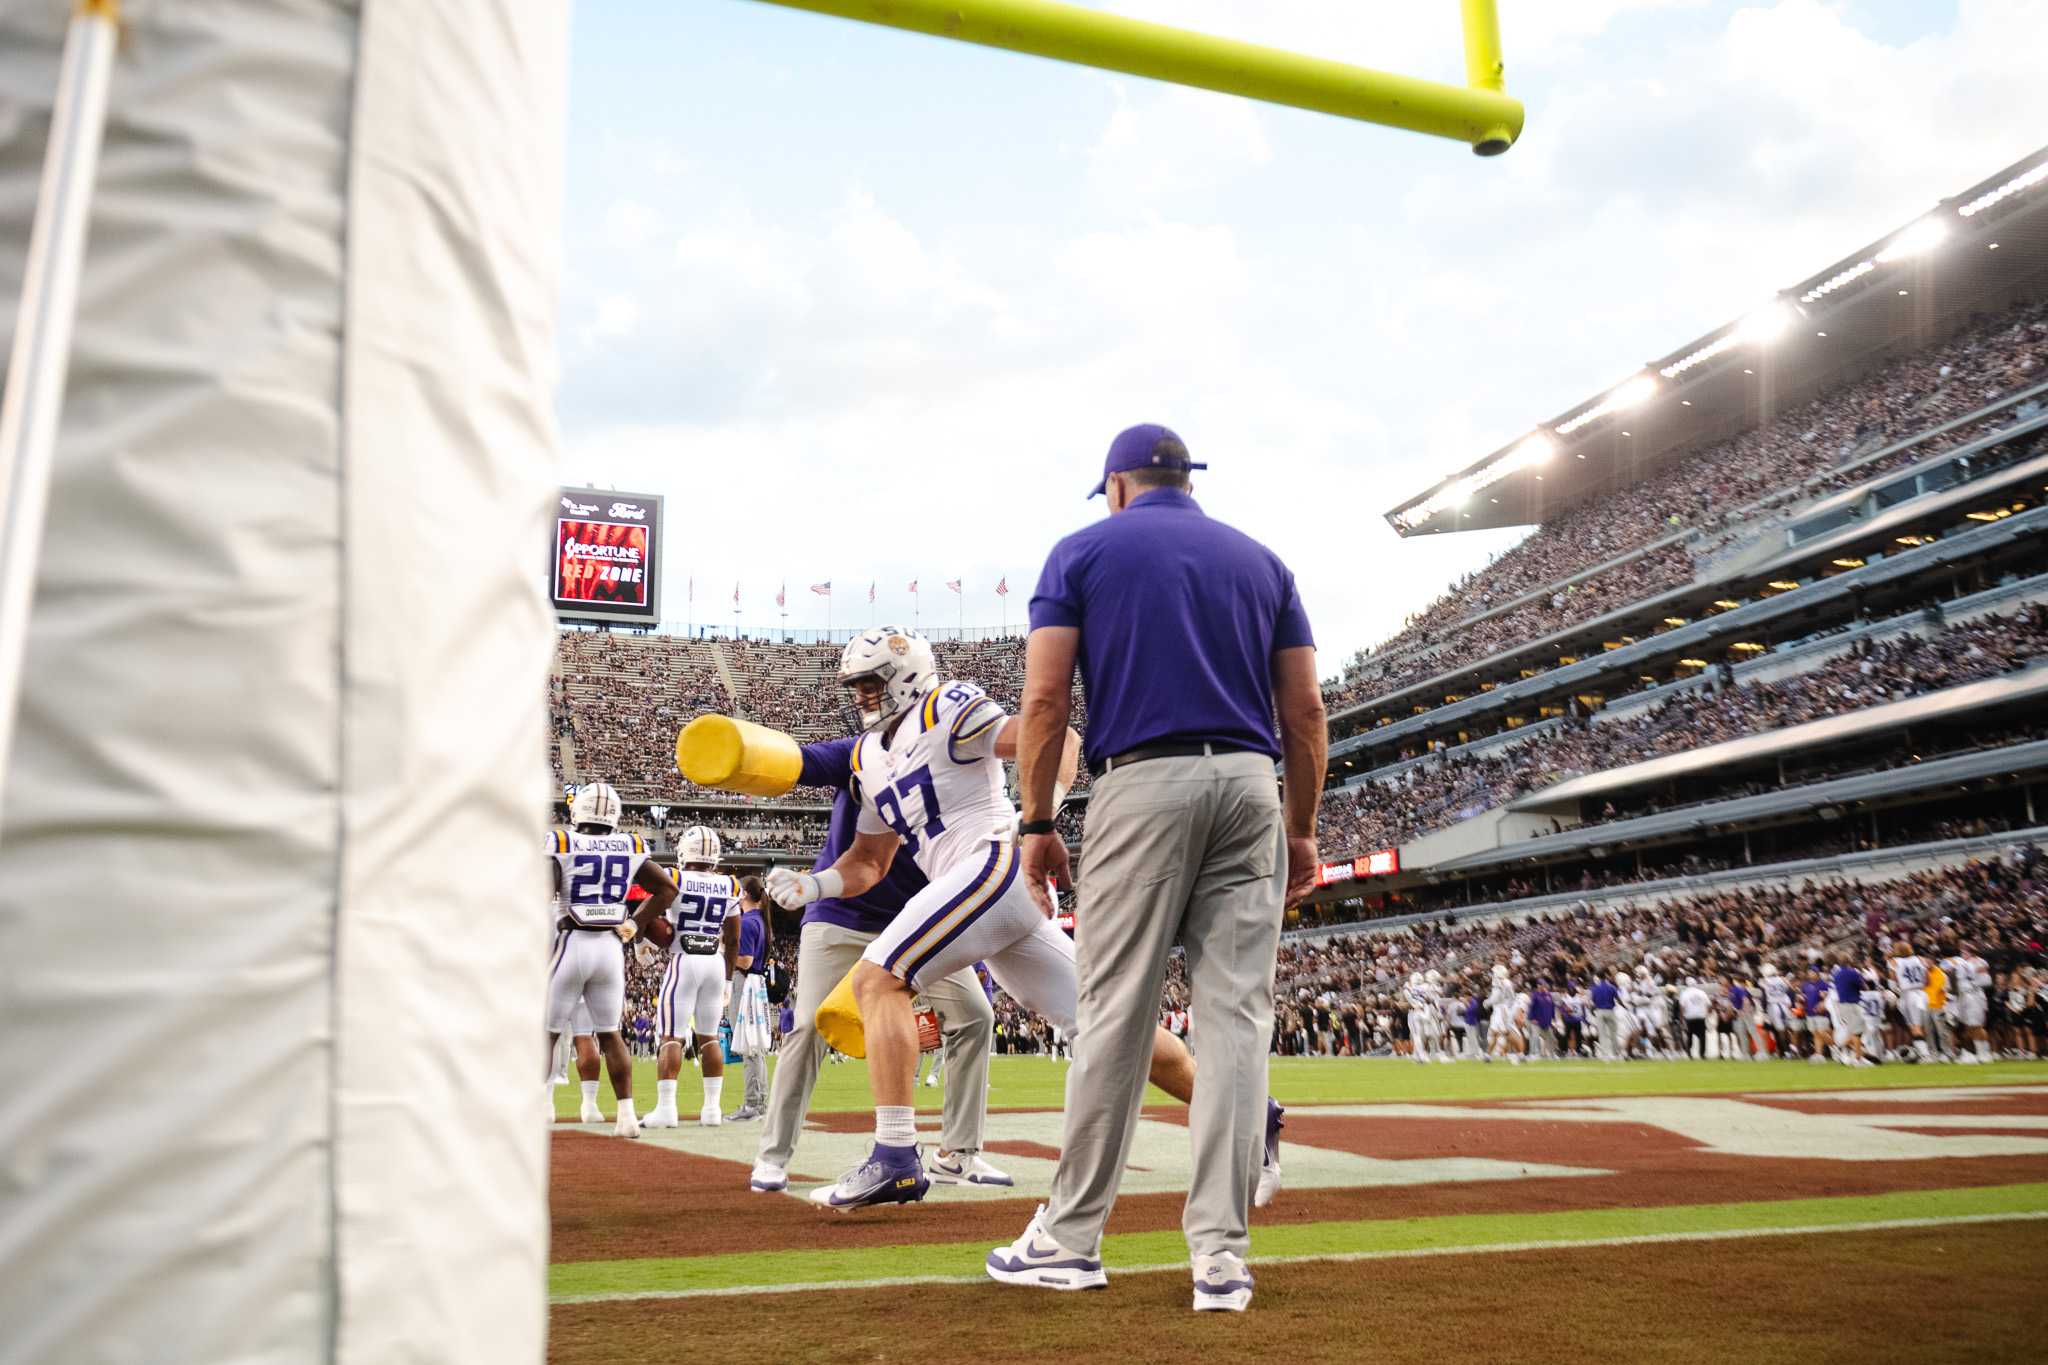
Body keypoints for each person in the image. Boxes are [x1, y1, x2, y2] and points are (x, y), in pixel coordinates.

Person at [996, 424, 1323, 1314]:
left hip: (1142, 779)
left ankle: (1070, 1237)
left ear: (1116, 485)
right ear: (1188, 479)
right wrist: (1299, 828)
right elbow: (1305, 710)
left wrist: (1036, 821)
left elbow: (1044, 699)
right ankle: (1221, 1256)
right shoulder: (1263, 562)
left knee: (1114, 1012)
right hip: (1253, 785)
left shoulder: (1083, 551)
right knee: (1236, 1025)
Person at [768, 628, 1261, 1212]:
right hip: (985, 886)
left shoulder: (943, 705)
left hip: (993, 861)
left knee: (879, 979)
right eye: (857, 687)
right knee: (1106, 1024)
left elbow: (1055, 735)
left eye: (872, 684)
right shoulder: (868, 755)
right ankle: (1253, 1121)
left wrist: (1040, 821)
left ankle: (896, 1156)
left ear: (904, 674)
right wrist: (815, 884)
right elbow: (870, 862)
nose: (864, 698)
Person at [749, 727, 1009, 1196]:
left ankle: (959, 1152)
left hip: (918, 918)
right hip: (842, 915)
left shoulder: (958, 762)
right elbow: (800, 763)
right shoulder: (863, 750)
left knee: (975, 1015)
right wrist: (745, 756)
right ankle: (773, 1156)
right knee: (808, 1025)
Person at [545, 781, 677, 1138]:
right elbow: (667, 890)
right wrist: (636, 921)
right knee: (610, 1034)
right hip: (610, 946)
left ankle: (542, 1105)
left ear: (578, 811)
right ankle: (627, 1116)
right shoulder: (630, 844)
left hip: (572, 940)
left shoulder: (562, 841)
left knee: (549, 1031)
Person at [643, 827, 742, 1128]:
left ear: (686, 851)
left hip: (684, 957)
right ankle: (712, 1110)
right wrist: (727, 979)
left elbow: (651, 914)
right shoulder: (730, 885)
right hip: (714, 960)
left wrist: (642, 938)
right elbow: (734, 938)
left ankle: (666, 1109)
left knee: (671, 1036)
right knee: (709, 1036)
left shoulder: (676, 877)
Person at [729, 876, 772, 1120]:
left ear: (744, 893)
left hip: (744, 984)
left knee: (749, 1046)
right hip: (755, 983)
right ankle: (758, 1102)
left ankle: (753, 1104)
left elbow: (744, 960)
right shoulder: (760, 921)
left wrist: (722, 949)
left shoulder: (746, 922)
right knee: (754, 1046)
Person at [1679, 977, 1711, 1059]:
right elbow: (1708, 1005)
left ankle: (1689, 1053)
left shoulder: (1684, 993)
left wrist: (1682, 1019)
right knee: (1702, 1037)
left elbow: (1682, 1007)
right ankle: (1702, 1054)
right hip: (1701, 1017)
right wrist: (1707, 1015)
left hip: (1690, 1017)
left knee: (1690, 1036)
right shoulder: (1702, 992)